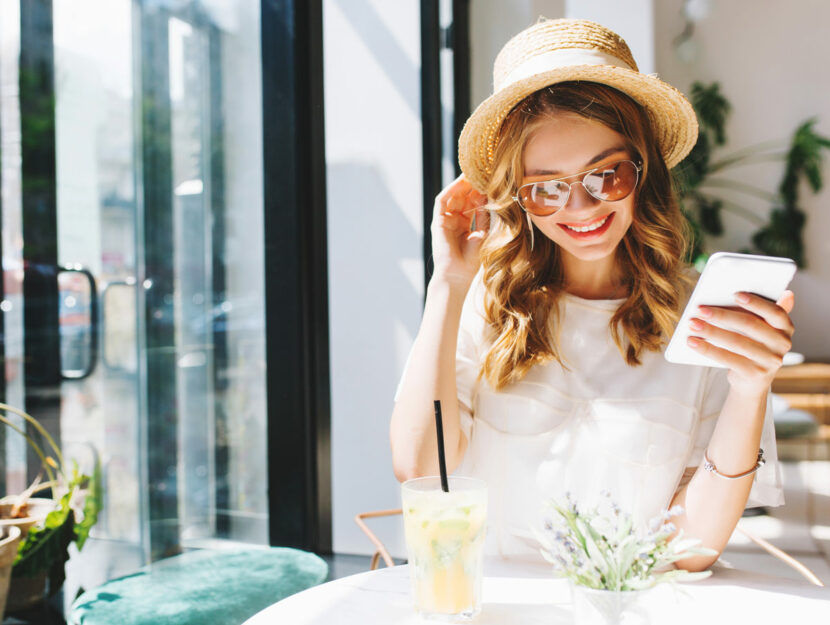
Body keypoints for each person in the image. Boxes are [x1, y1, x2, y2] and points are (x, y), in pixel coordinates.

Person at [390, 18, 795, 569]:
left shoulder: (701, 317)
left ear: (642, 169)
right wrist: (448, 283)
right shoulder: (483, 303)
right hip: (495, 607)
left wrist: (750, 389)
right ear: (518, 195)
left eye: (606, 175)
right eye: (547, 187)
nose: (579, 208)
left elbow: (692, 549)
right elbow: (422, 471)